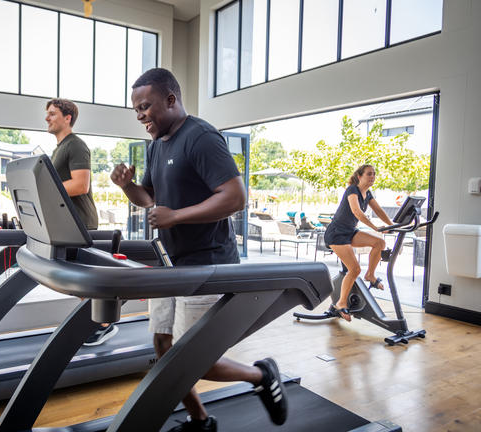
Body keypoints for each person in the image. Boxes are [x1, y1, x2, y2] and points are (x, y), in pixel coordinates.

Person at [110, 68, 288, 432]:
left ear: (171, 100)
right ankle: (200, 421)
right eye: (136, 110)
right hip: (170, 264)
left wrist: (176, 216)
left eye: (146, 107)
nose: (140, 115)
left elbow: (235, 197)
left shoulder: (201, 137)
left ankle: (261, 375)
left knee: (194, 359)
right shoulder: (156, 145)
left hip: (207, 263)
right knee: (163, 345)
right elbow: (150, 198)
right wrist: (128, 186)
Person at [45, 98, 117, 345]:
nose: (47, 118)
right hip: (67, 224)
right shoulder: (59, 148)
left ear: (67, 118)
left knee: (82, 279)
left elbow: (80, 185)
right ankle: (98, 320)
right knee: (74, 279)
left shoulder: (76, 145)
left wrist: (45, 190)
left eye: (52, 113)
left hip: (81, 222)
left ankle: (105, 323)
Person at [323, 164, 393, 321]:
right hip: (337, 234)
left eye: (374, 174)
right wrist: (375, 227)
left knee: (379, 243)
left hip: (350, 232)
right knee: (354, 269)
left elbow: (379, 210)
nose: (372, 177)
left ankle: (370, 275)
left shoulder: (367, 194)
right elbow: (357, 212)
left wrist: (391, 224)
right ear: (359, 176)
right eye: (369, 174)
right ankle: (341, 303)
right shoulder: (352, 190)